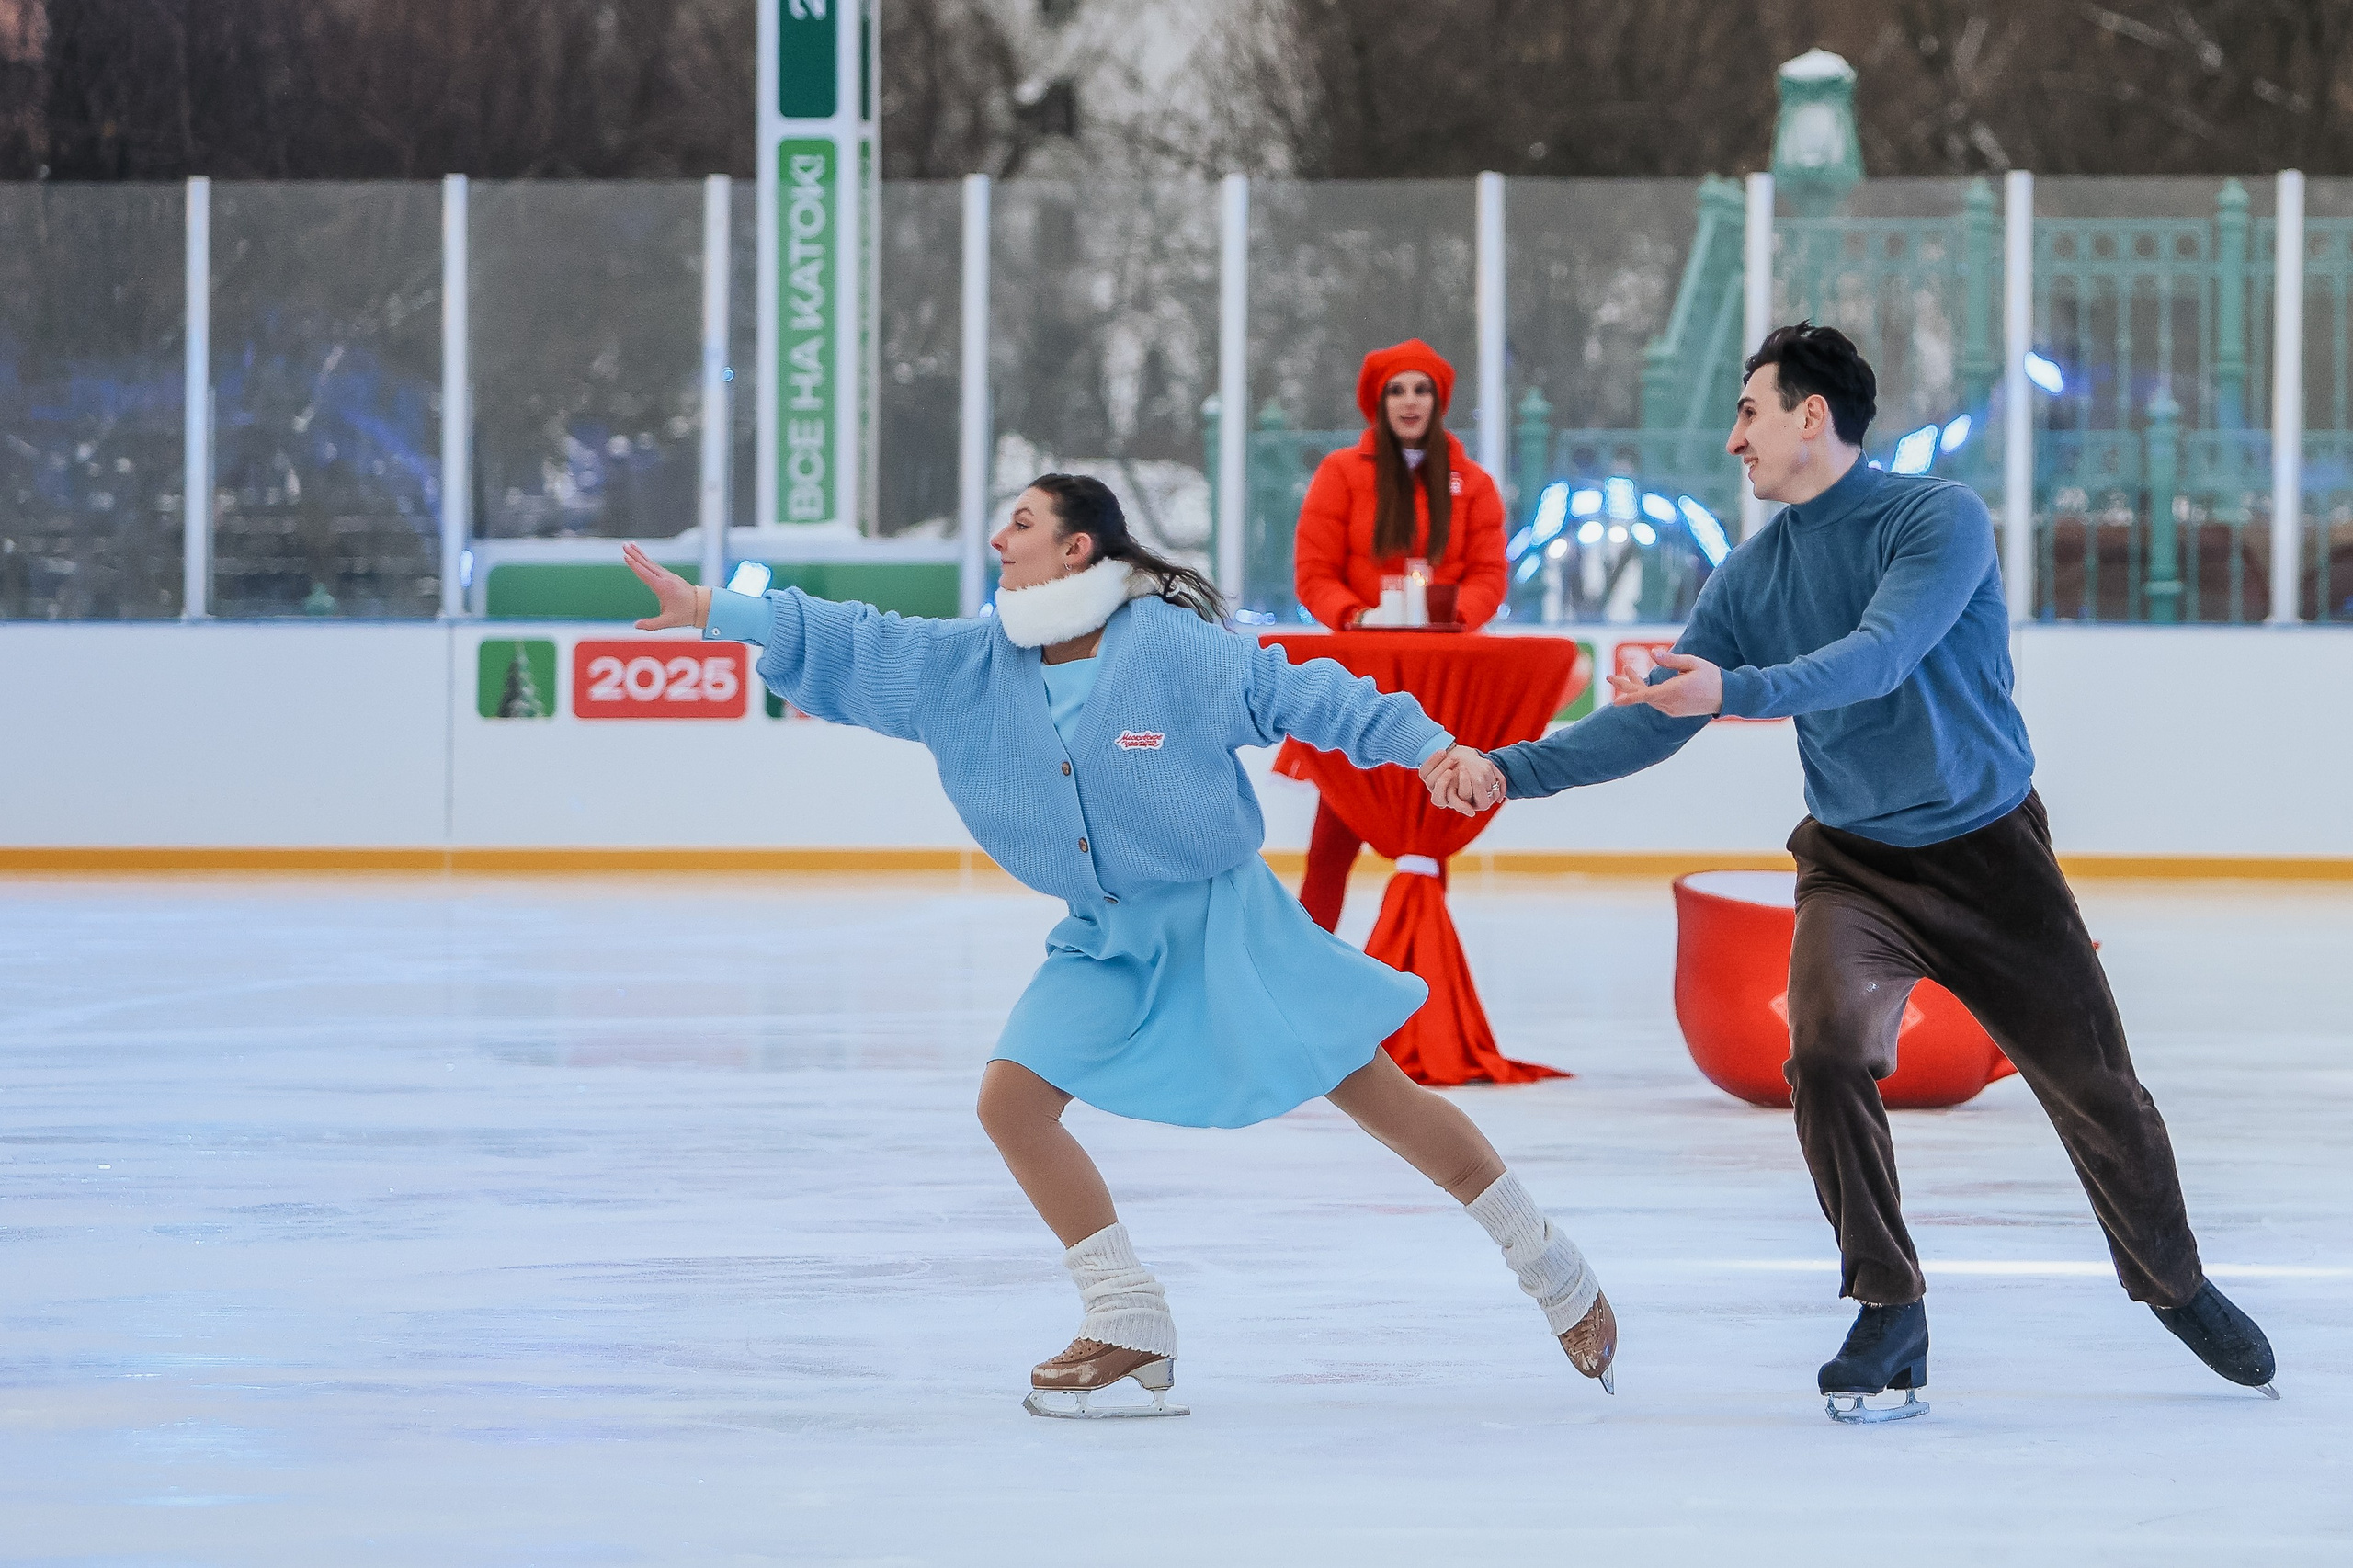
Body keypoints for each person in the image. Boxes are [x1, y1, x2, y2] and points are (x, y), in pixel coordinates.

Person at [621, 473, 1615, 1419]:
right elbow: (858, 639)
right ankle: (1126, 1312)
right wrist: (711, 607)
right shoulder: (974, 665)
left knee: (1378, 1097)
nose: (999, 540)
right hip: (1107, 934)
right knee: (1011, 1103)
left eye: (1021, 523)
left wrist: (1431, 748)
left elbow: (1312, 694)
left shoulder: (1173, 649)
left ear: (1076, 548)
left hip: (1229, 924)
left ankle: (1553, 1268)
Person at [1423, 323, 2276, 1423]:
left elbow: (1877, 657)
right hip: (1853, 865)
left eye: (1748, 412)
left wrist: (1731, 690)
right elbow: (1656, 718)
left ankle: (2174, 1283)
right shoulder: (1750, 576)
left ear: (1811, 415)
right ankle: (1888, 1301)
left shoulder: (1937, 520)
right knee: (1821, 1053)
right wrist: (1509, 770)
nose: (1734, 439)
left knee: (2098, 1089)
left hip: (1990, 857)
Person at [1290, 339, 1510, 931]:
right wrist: (1356, 616)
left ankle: (1422, 964)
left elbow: (1489, 575)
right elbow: (1314, 573)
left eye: (1421, 389)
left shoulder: (1474, 484)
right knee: (1331, 843)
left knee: (1430, 834)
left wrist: (1449, 616)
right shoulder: (1341, 474)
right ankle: (1305, 966)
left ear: (1438, 401)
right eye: (1397, 390)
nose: (1410, 401)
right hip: (1360, 684)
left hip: (1439, 684)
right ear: (1378, 401)